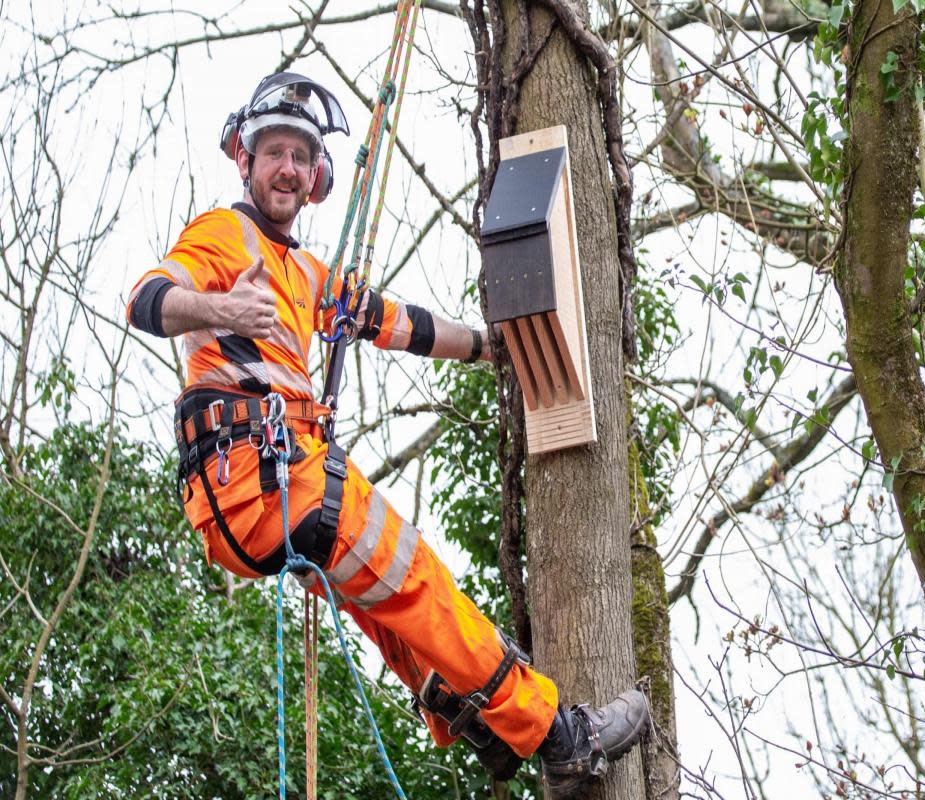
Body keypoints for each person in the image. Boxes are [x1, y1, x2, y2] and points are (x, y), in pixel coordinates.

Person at [125, 71, 648, 796]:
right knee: (417, 580)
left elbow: (394, 323)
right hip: (263, 478)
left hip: (265, 493)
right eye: (275, 151)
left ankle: (485, 727)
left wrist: (493, 347)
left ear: (317, 179)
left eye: (302, 157)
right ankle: (561, 733)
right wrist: (220, 307)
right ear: (244, 160)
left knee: (387, 608)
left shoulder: (304, 273)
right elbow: (146, 299)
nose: (288, 167)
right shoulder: (225, 235)